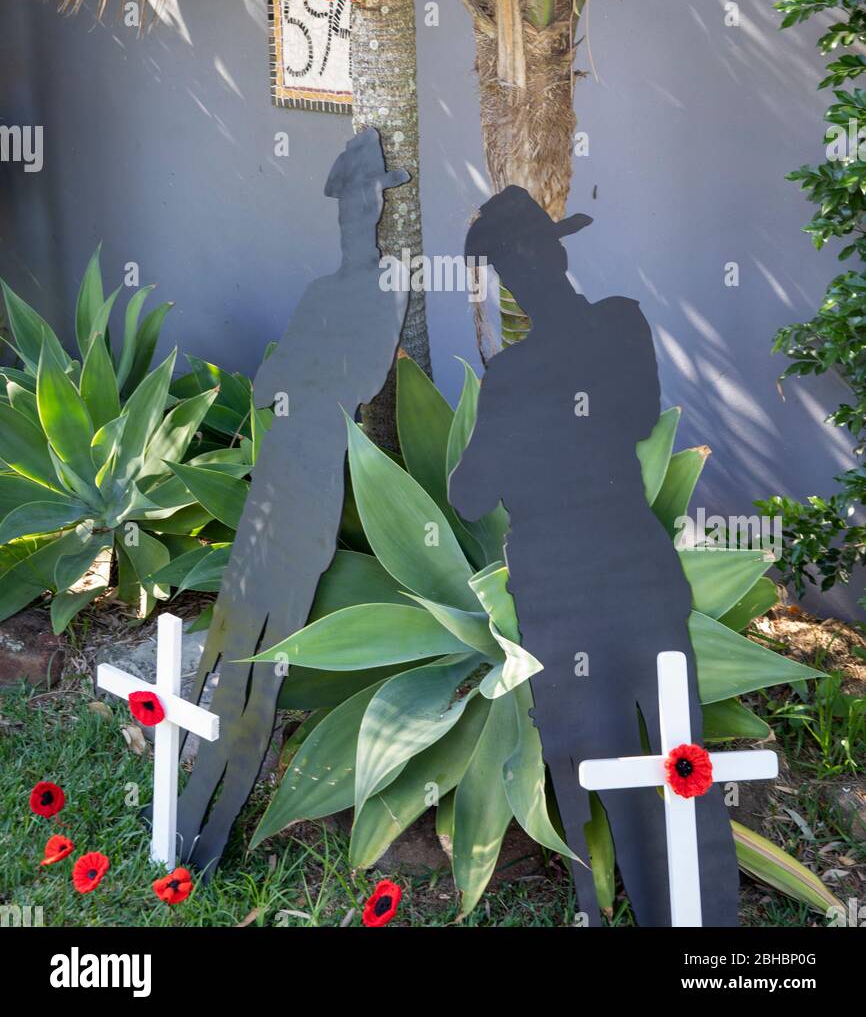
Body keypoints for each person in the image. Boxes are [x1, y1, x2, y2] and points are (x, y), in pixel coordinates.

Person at [449, 185, 738, 926]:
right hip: (639, 572)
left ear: (511, 281)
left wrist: (511, 418)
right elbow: (641, 414)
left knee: (592, 766)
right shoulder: (622, 325)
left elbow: (470, 495)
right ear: (561, 253)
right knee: (684, 757)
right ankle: (706, 924)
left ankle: (608, 910)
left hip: (560, 594)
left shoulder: (511, 378)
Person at [175, 129, 408, 873]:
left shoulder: (384, 290)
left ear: (377, 208)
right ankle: (188, 797)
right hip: (279, 464)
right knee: (232, 631)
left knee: (267, 653)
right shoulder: (320, 293)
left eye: (364, 201)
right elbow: (278, 380)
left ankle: (218, 816)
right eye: (346, 204)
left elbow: (351, 382)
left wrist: (298, 379)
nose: (354, 216)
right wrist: (300, 379)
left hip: (313, 472)